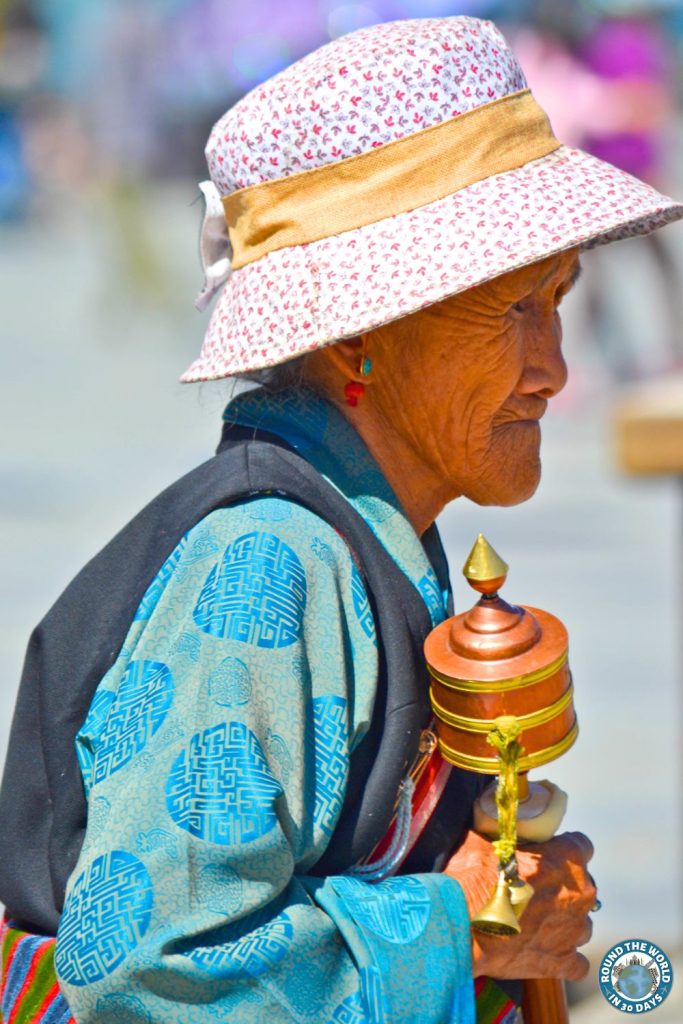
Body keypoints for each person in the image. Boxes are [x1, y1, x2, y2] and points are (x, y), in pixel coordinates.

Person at [1, 15, 681, 1024]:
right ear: (359, 338)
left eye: (557, 302)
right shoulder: (265, 565)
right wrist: (459, 920)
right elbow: (142, 970)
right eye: (510, 314)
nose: (554, 369)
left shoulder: (368, 539)